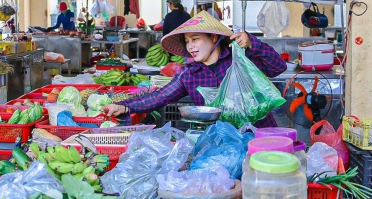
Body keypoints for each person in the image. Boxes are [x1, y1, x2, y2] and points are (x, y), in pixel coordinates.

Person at [102, 11, 287, 126]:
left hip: (261, 137)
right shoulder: (189, 74)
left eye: (195, 39)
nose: (190, 46)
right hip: (223, 143)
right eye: (187, 41)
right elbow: (160, 96)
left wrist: (253, 43)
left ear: (214, 38)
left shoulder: (240, 60)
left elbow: (278, 67)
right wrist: (124, 107)